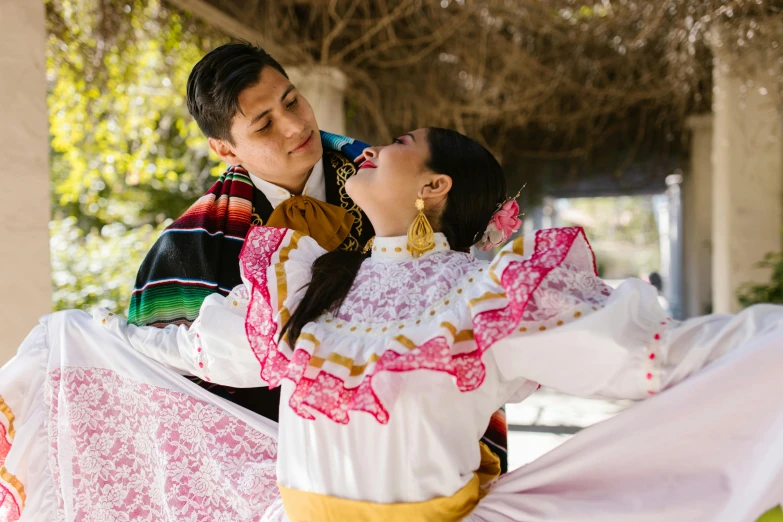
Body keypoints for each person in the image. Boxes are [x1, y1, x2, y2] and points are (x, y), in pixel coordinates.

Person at [2, 128, 781, 521]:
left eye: (400, 145)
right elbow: (199, 351)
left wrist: (765, 339)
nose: (372, 147)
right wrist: (86, 336)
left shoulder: (490, 296)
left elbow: (653, 356)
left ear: (434, 185)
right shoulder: (308, 279)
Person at [125, 42, 509, 466]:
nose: (294, 126)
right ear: (226, 149)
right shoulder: (188, 247)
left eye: (291, 100)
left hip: (405, 459)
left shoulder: (391, 190)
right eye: (264, 124)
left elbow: (457, 331)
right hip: (263, 477)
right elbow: (162, 394)